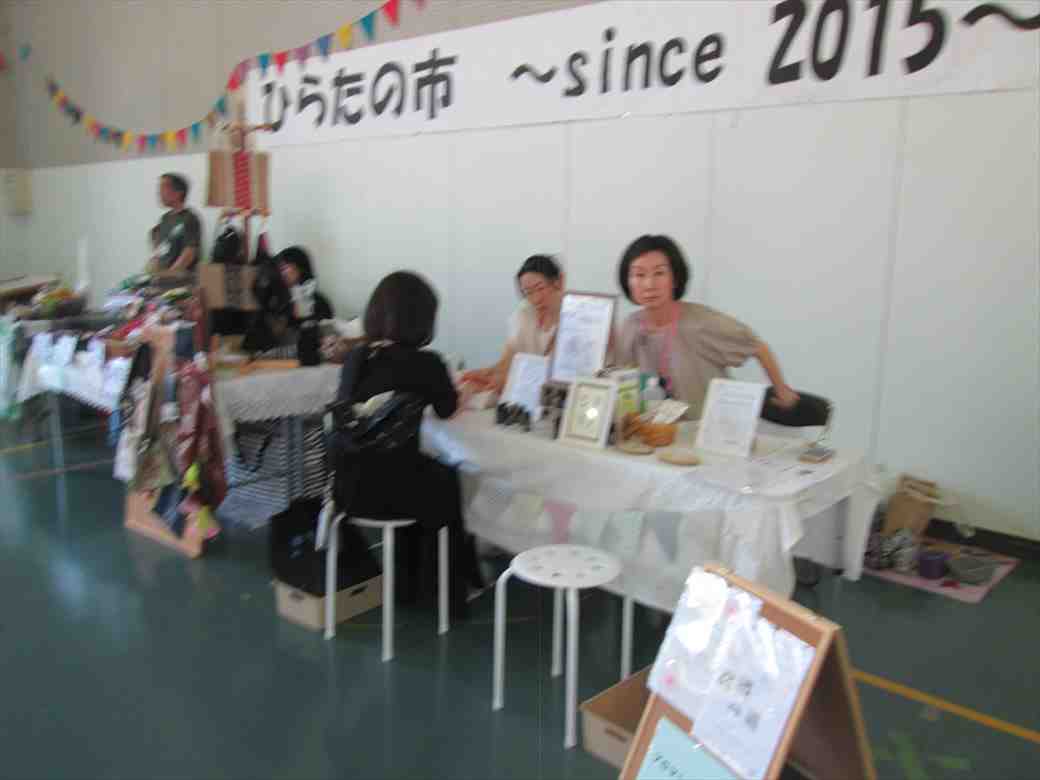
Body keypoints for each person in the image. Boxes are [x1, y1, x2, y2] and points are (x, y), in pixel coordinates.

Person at [335, 271, 481, 619]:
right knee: (445, 479)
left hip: (346, 487)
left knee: (417, 470)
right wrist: (467, 391)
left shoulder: (356, 358)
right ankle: (448, 591)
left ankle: (407, 583)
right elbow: (447, 409)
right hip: (395, 492)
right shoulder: (426, 363)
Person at [616, 235, 799, 418]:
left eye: (659, 273)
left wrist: (782, 391)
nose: (649, 284)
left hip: (709, 428)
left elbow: (757, 347)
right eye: (639, 275)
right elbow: (618, 377)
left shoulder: (701, 323)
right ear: (627, 281)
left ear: (675, 278)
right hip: (656, 430)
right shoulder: (630, 327)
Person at [462, 254, 565, 392]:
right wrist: (490, 373)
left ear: (559, 282)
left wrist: (506, 381)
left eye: (540, 288)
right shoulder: (525, 313)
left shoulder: (574, 318)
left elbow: (553, 374)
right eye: (528, 293)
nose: (536, 299)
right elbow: (508, 360)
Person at [148, 173, 202, 273]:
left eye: (163, 188)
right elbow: (158, 245)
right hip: (162, 276)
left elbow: (190, 252)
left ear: (178, 193)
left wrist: (170, 273)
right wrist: (154, 266)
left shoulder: (189, 218)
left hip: (180, 278)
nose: (159, 193)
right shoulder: (165, 218)